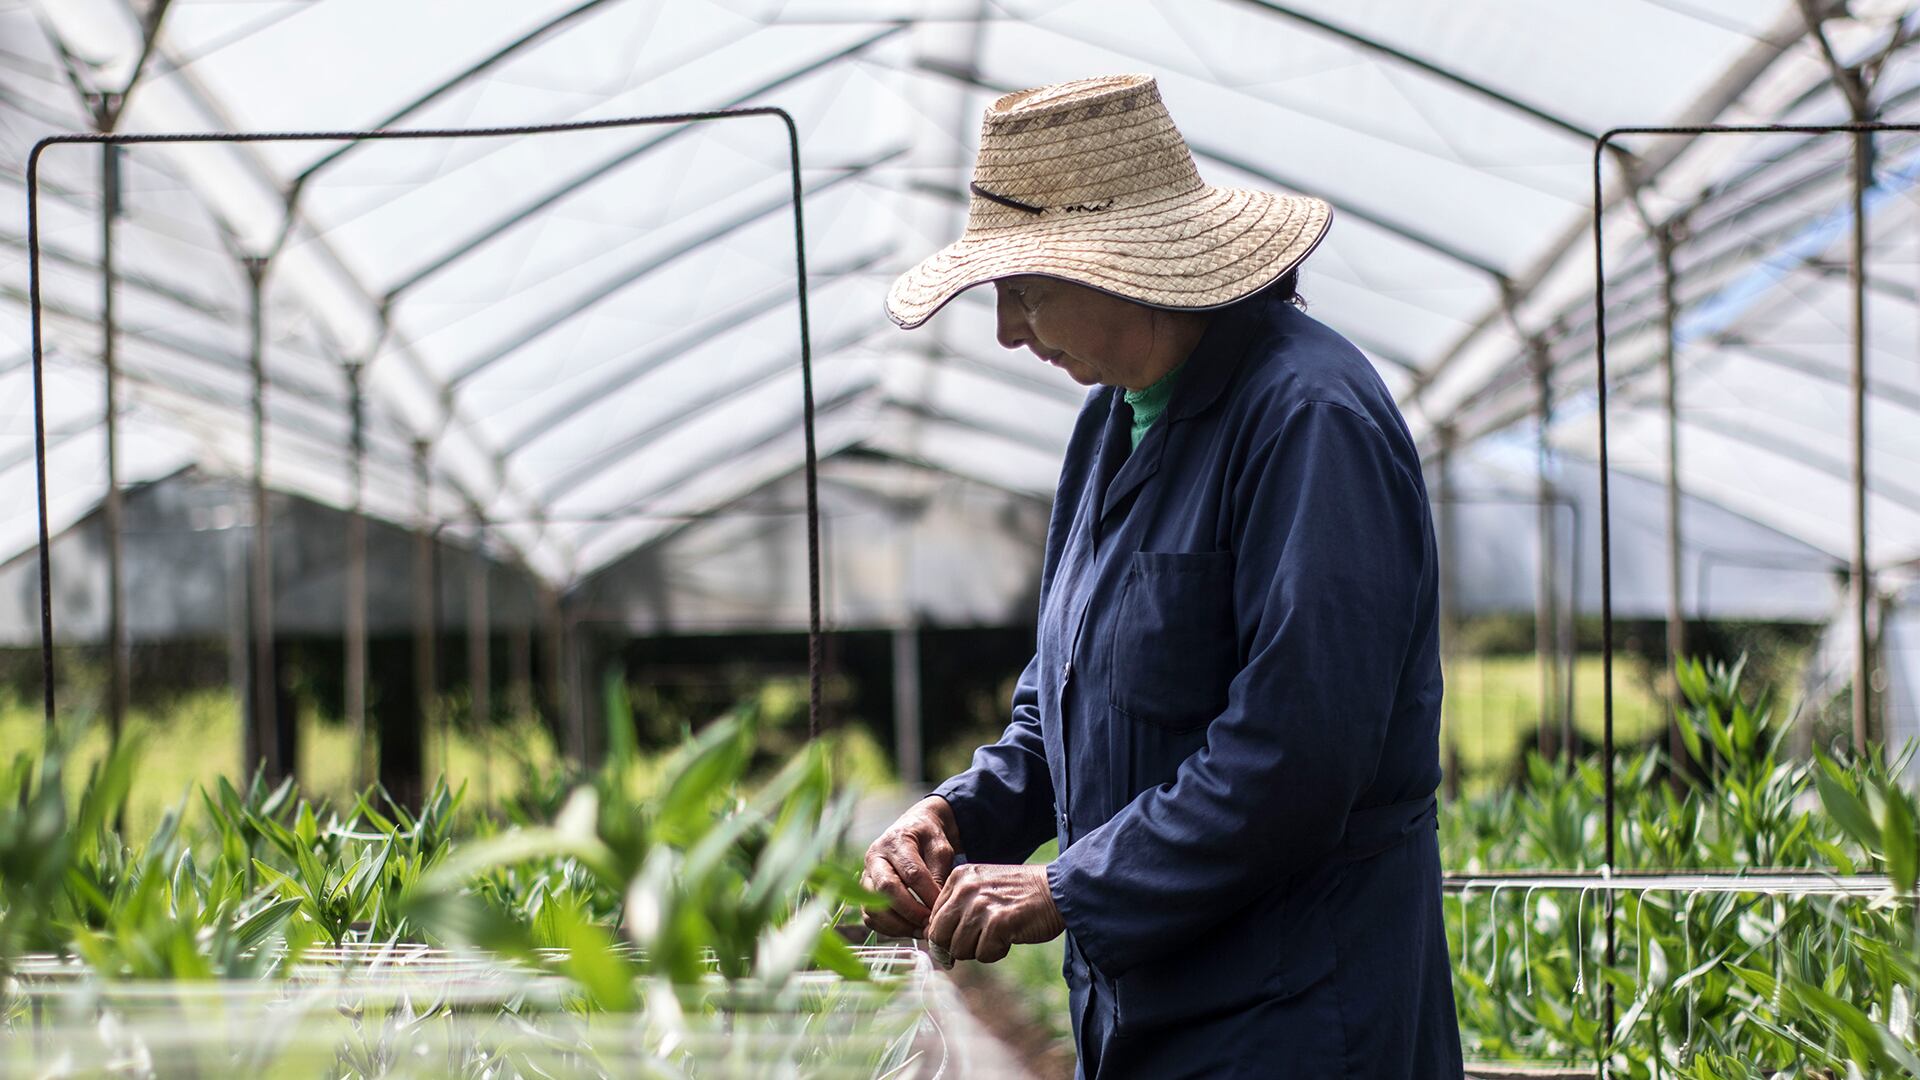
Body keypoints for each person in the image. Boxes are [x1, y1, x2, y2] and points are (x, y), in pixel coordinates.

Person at [864, 73, 1463, 1078]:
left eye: (1025, 291)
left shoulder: (1308, 420)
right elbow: (1067, 700)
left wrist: (1067, 888)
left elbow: (1297, 754)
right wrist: (960, 817)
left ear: (1124, 269)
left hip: (1291, 1017)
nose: (1007, 330)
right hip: (1145, 1015)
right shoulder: (1108, 425)